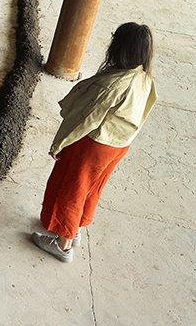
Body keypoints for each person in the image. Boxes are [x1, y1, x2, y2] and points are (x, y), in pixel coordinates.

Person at [33, 23, 157, 262]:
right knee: (92, 186)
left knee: (73, 188)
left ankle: (63, 244)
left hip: (94, 144)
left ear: (120, 48)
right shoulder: (145, 79)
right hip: (118, 144)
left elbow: (85, 119)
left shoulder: (112, 84)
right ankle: (74, 228)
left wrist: (59, 142)